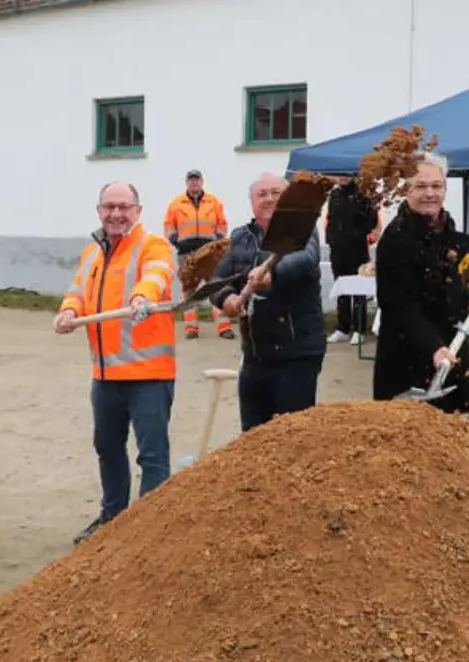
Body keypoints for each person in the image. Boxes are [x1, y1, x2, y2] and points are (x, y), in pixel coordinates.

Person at [55, 182, 177, 545]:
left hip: (148, 375)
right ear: (99, 211)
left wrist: (143, 296)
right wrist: (68, 311)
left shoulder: (153, 245)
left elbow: (157, 274)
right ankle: (112, 519)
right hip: (105, 375)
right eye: (109, 207)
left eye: (124, 206)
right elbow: (78, 292)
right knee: (107, 448)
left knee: (152, 456)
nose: (116, 214)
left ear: (137, 211)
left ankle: (147, 533)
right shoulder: (91, 253)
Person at [373, 152, 469, 415]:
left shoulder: (446, 228)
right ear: (406, 190)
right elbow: (398, 305)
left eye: (437, 186)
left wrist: (467, 299)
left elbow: (446, 283)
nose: (430, 193)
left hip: (451, 348)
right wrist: (433, 347)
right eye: (421, 186)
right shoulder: (396, 239)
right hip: (409, 354)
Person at [210, 173, 325, 432]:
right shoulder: (241, 237)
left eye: (276, 193)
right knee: (253, 435)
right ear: (252, 203)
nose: (269, 198)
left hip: (296, 353)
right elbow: (217, 277)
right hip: (255, 354)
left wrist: (273, 274)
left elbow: (306, 259)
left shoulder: (303, 228)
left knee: (292, 436)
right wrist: (226, 298)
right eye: (262, 194)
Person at [164, 169, 233, 340]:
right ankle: (191, 329)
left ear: (202, 182)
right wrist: (173, 238)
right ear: (186, 183)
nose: (194, 184)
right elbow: (168, 225)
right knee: (189, 291)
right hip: (186, 253)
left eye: (197, 180)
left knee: (216, 287)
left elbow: (222, 224)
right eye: (191, 180)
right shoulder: (176, 204)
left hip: (209, 254)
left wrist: (218, 238)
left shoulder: (214, 202)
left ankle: (224, 327)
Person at [325, 177, 380, 345]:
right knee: (342, 289)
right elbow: (330, 219)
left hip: (357, 250)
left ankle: (359, 329)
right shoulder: (334, 195)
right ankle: (343, 328)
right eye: (340, 175)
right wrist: (331, 239)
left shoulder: (363, 194)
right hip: (337, 249)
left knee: (358, 290)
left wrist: (357, 233)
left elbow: (372, 220)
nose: (343, 178)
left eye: (346, 174)